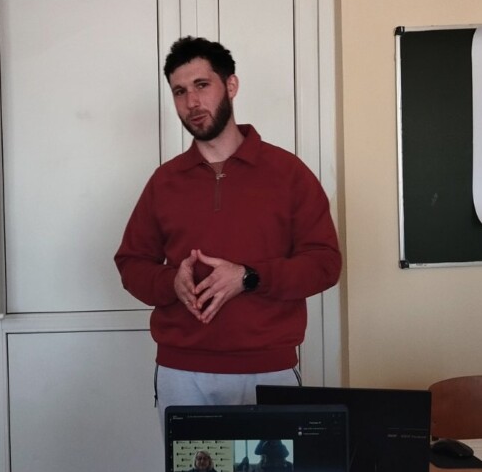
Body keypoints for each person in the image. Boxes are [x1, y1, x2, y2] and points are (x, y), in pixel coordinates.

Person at [114, 36, 341, 421]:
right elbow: (131, 264)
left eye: (202, 85)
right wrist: (171, 282)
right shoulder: (165, 181)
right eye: (180, 92)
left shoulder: (288, 173)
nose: (192, 102)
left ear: (231, 85)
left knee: (270, 465)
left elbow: (325, 264)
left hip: (269, 370)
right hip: (182, 373)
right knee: (192, 466)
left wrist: (249, 277)